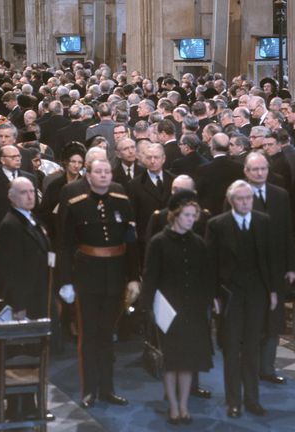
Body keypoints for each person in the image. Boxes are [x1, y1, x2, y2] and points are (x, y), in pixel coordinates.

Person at [58, 158, 138, 408]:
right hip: (87, 274)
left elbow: (131, 242)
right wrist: (66, 281)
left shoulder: (122, 201)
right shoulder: (75, 203)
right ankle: (89, 390)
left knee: (108, 333)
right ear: (88, 175)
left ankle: (108, 388)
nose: (103, 176)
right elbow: (65, 244)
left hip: (115, 274)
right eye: (98, 172)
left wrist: (134, 277)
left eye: (107, 172)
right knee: (89, 335)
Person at [141, 190, 214, 425]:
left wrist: (209, 303)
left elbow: (205, 277)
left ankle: (184, 404)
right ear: (175, 216)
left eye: (194, 216)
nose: (191, 220)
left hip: (193, 310)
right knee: (172, 361)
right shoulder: (159, 242)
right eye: (187, 215)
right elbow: (150, 276)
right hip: (167, 310)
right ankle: (173, 405)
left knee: (188, 361)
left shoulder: (198, 243)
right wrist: (147, 307)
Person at [205, 180, 274, 418]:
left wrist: (273, 292)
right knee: (231, 349)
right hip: (230, 295)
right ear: (231, 201)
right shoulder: (217, 225)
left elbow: (270, 259)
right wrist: (213, 295)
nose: (245, 202)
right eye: (240, 199)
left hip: (256, 294)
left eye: (249, 198)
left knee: (253, 348)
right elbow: (210, 263)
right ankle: (233, 401)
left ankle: (252, 399)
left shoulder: (263, 221)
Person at [243, 153, 295, 384]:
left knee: (273, 320)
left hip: (275, 267)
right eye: (254, 169)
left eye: (263, 168)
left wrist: (291, 266)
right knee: (252, 319)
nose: (259, 173)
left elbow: (287, 232)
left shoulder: (280, 195)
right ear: (246, 171)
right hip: (249, 268)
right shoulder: (238, 195)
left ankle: (268, 368)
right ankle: (249, 366)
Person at [0, 177, 51, 320]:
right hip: (27, 297)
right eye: (23, 192)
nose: (30, 196)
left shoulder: (31, 218)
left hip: (41, 291)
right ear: (11, 196)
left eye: (32, 191)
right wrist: (18, 305)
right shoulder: (11, 225)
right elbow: (11, 270)